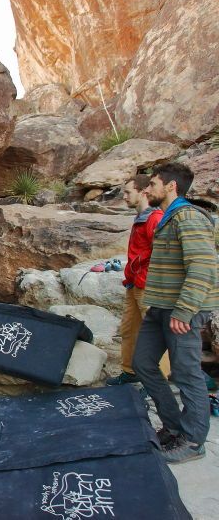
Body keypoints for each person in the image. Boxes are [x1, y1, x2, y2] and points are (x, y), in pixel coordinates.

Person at [132, 162, 218, 464]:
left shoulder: (189, 217)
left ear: (171, 186)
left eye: (153, 184)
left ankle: (193, 441)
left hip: (182, 311)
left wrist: (184, 310)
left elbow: (203, 267)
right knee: (142, 363)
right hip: (161, 307)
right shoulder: (169, 217)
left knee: (186, 374)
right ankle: (173, 426)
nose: (147, 189)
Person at [107, 175, 171, 385]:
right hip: (134, 283)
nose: (124, 196)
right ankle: (130, 371)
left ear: (143, 192)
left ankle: (158, 381)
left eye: (128, 192)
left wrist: (142, 269)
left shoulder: (155, 218)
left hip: (148, 284)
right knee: (129, 329)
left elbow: (162, 251)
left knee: (154, 332)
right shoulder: (141, 218)